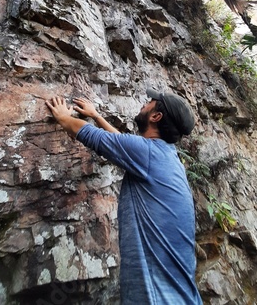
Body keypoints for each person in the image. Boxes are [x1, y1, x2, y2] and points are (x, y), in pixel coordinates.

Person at [46, 89, 202, 305]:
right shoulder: (165, 155)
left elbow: (94, 137)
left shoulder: (148, 154)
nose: (144, 104)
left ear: (156, 117)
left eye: (150, 102)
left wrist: (64, 117)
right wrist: (97, 116)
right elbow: (121, 144)